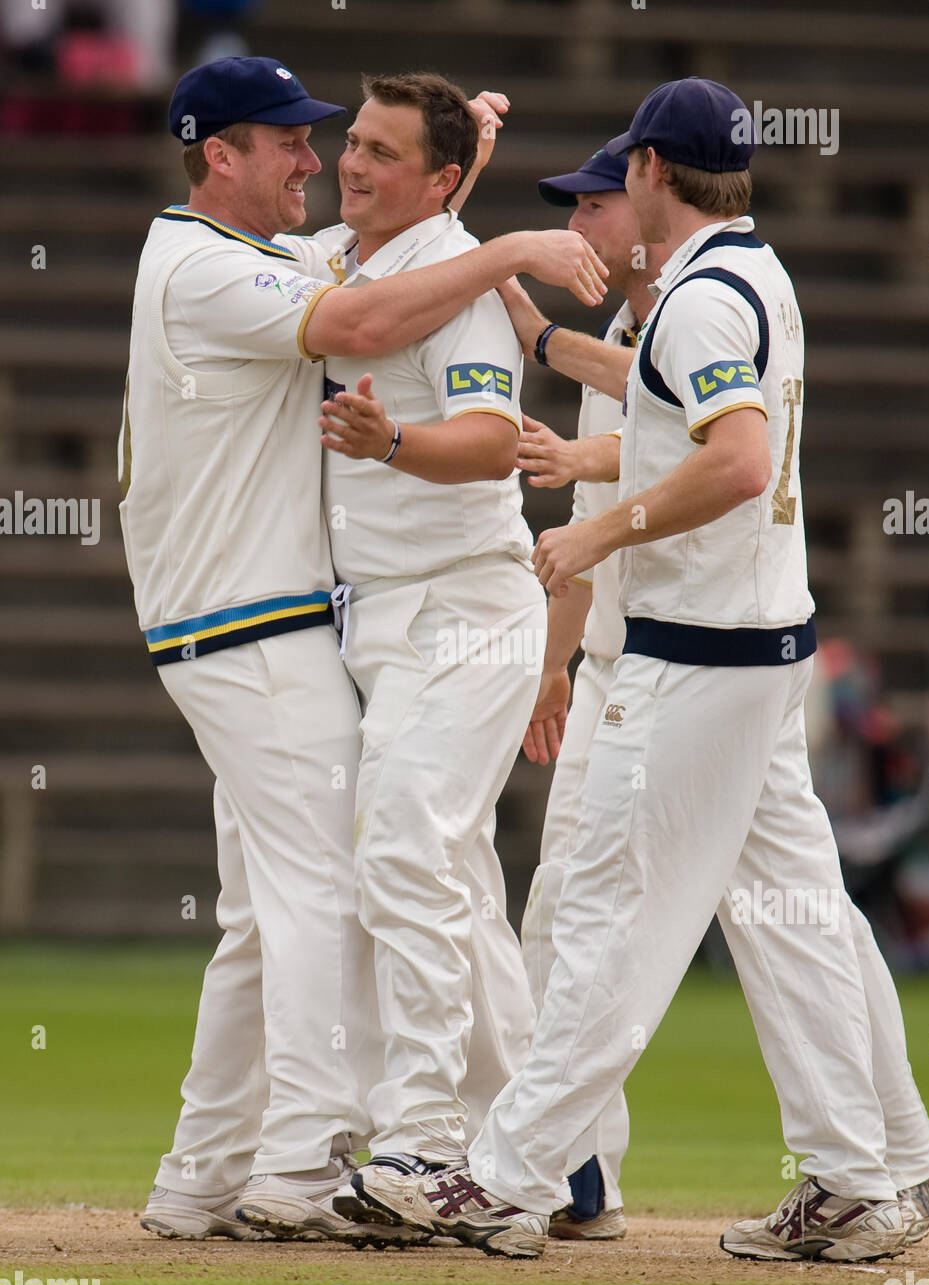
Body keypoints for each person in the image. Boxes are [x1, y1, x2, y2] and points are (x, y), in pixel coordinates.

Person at [343, 77, 929, 1261]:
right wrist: (534, 328)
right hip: (761, 652)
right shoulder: (748, 276)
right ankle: (861, 1175)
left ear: (656, 174)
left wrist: (597, 526)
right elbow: (671, 410)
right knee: (795, 922)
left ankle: (507, 1182)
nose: (614, 191)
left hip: (692, 661)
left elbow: (732, 461)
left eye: (626, 173)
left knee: (607, 923)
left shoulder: (700, 299)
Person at [125, 55, 606, 1242]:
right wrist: (500, 246)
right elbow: (359, 310)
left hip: (388, 613)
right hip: (261, 622)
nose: (324, 157)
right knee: (358, 881)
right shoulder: (213, 265)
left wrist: (464, 194)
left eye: (350, 143)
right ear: (217, 154)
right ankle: (320, 1169)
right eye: (295, 140)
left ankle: (221, 1173)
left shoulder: (296, 254)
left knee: (335, 885)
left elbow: (414, 296)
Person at [312, 73, 549, 1211]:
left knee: (405, 842)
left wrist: (392, 439)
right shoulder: (344, 256)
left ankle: (422, 1143)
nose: (351, 165)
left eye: (381, 154)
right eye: (350, 142)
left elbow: (493, 440)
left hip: (471, 608)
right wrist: (466, 154)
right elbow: (413, 232)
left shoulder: (458, 294)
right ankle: (557, 1153)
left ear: (440, 181)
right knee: (447, 873)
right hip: (384, 619)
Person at [516, 146, 665, 1241]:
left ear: (651, 198)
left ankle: (563, 1172)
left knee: (575, 919)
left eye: (593, 203)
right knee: (563, 917)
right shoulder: (618, 335)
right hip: (624, 663)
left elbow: (669, 423)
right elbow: (580, 543)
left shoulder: (704, 308)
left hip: (685, 674)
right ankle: (578, 1176)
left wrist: (529, 326)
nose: (580, 224)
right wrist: (555, 663)